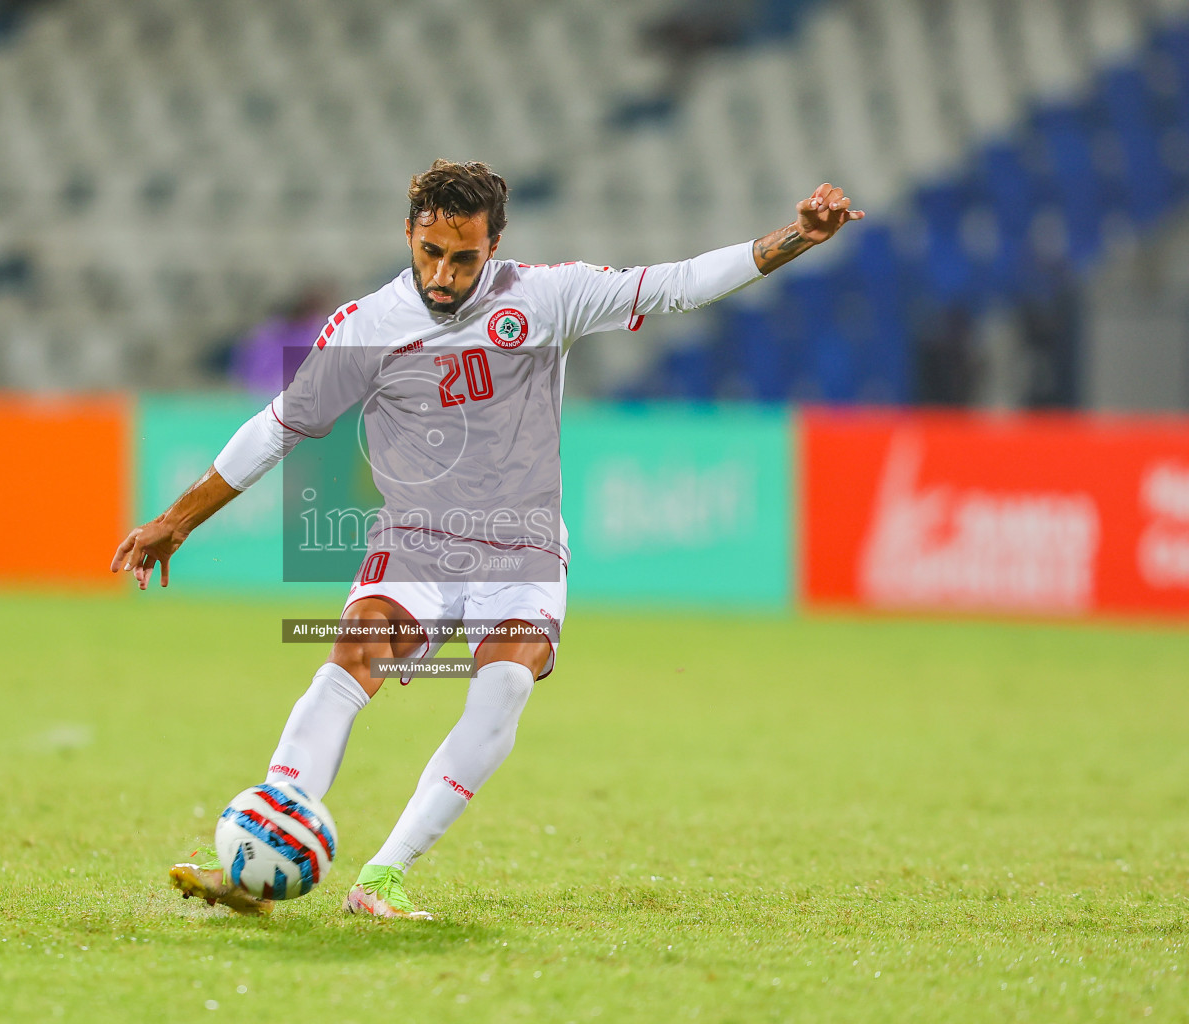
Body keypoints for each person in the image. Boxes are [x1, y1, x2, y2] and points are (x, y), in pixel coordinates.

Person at [111, 160, 863, 920]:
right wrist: (176, 521)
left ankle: (383, 877)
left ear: (494, 243)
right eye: (430, 251)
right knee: (350, 660)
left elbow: (676, 284)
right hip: (415, 541)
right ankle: (258, 848)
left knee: (502, 688)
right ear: (409, 233)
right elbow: (277, 428)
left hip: (522, 546)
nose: (443, 272)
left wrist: (795, 238)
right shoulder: (366, 327)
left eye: (464, 256)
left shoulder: (545, 296)